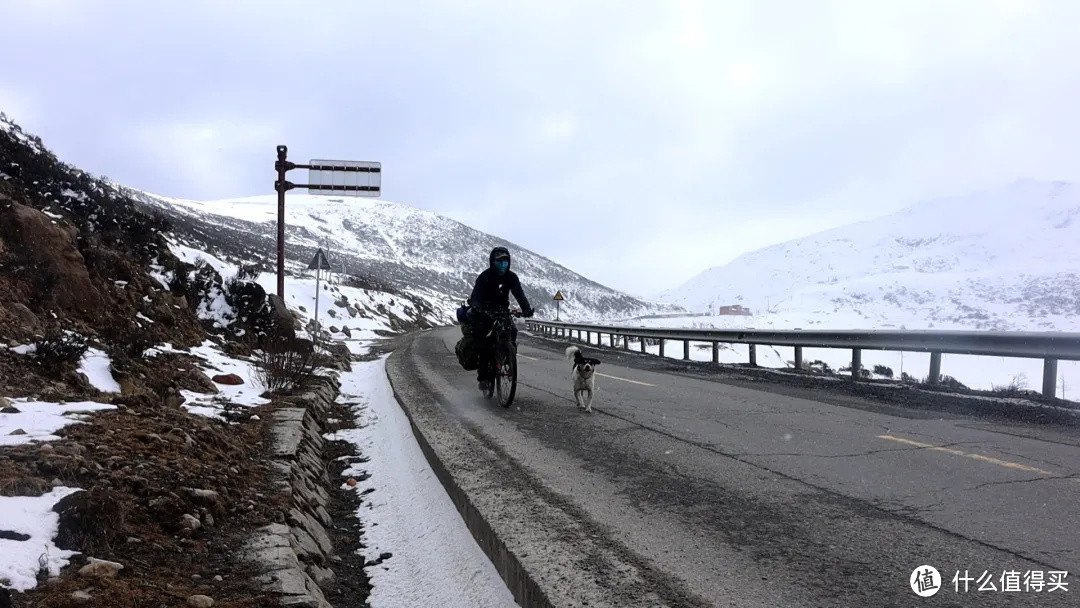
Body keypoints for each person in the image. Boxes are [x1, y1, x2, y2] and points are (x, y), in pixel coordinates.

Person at [467, 246, 534, 391]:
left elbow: (519, 294)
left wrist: (527, 309)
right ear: (493, 261)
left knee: (512, 332)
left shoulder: (511, 277)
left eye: (505, 261)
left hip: (503, 311)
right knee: (484, 341)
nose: (503, 264)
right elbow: (476, 296)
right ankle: (483, 377)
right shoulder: (485, 277)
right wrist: (478, 307)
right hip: (485, 312)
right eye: (499, 261)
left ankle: (508, 358)